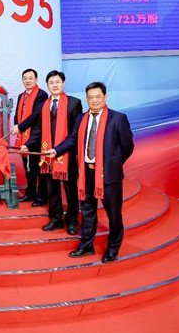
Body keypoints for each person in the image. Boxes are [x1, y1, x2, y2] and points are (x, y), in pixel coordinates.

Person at [46, 81, 134, 263]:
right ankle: (86, 245)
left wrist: (113, 164)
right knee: (87, 212)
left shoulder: (118, 118)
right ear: (86, 98)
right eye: (91, 97)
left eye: (98, 97)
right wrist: (56, 150)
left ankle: (113, 248)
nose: (94, 100)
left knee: (113, 214)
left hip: (108, 176)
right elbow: (72, 139)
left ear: (105, 97)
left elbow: (127, 146)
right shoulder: (81, 118)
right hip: (85, 173)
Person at [22, 70, 82, 235]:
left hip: (67, 155)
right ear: (47, 85)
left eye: (57, 82)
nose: (54, 85)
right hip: (47, 154)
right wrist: (28, 144)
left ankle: (72, 220)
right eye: (51, 83)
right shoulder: (44, 105)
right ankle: (56, 219)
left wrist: (58, 149)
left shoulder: (74, 103)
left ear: (63, 83)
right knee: (52, 190)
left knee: (70, 191)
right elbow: (38, 130)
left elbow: (75, 133)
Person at [10, 68, 48, 206]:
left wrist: (20, 127)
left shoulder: (42, 95)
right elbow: (18, 115)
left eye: (30, 78)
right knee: (28, 168)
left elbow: (36, 115)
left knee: (37, 168)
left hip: (36, 136)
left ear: (36, 79)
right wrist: (17, 125)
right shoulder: (21, 95)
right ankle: (30, 193)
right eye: (25, 78)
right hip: (23, 137)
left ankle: (41, 196)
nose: (27, 81)